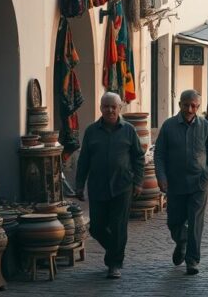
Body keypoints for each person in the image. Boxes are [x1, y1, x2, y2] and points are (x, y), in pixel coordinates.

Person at [75, 92, 145, 279]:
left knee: (118, 227)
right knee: (96, 227)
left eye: (113, 107)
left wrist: (138, 182)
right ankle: (114, 250)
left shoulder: (129, 130)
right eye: (106, 106)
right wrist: (79, 184)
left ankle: (115, 263)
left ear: (120, 108)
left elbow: (138, 157)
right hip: (98, 186)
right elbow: (84, 160)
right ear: (100, 108)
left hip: (122, 186)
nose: (110, 110)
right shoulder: (91, 131)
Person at [153, 90, 208, 276]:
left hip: (199, 183)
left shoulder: (205, 126)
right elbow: (159, 154)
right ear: (180, 104)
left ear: (198, 107)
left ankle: (192, 260)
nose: (189, 109)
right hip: (175, 184)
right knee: (174, 221)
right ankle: (181, 241)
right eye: (186, 105)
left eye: (193, 106)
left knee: (195, 222)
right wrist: (161, 177)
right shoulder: (168, 126)